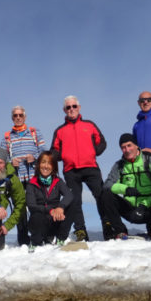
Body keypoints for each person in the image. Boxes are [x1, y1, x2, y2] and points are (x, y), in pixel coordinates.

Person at [50, 95, 106, 242]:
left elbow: (102, 142)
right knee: (75, 202)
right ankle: (80, 231)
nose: (71, 109)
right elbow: (54, 151)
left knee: (101, 196)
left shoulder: (89, 125)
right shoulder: (60, 130)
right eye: (68, 107)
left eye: (74, 106)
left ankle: (108, 226)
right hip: (71, 170)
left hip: (91, 167)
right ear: (64, 110)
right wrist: (64, 155)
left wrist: (93, 152)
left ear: (79, 108)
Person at [0, 105, 47, 246]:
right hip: (16, 177)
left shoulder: (34, 132)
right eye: (15, 115)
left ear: (25, 117)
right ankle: (23, 240)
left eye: (20, 115)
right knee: (19, 208)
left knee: (37, 206)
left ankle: (39, 237)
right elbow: (1, 158)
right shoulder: (7, 137)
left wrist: (35, 157)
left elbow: (45, 151)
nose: (18, 118)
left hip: (33, 175)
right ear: (12, 118)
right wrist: (10, 161)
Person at [100, 133, 151, 240]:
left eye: (129, 145)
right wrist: (126, 189)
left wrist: (143, 205)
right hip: (130, 208)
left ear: (136, 145)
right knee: (106, 195)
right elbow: (107, 185)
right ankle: (120, 231)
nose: (127, 150)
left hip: (149, 208)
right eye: (123, 147)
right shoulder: (119, 165)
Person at [25, 151, 73, 249]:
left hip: (55, 221)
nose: (46, 166)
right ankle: (36, 242)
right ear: (38, 165)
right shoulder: (31, 183)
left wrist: (60, 207)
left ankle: (60, 239)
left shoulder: (58, 181)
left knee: (72, 204)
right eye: (43, 162)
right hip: (38, 222)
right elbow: (31, 205)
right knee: (37, 215)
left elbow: (69, 195)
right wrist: (51, 210)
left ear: (54, 166)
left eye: (49, 163)